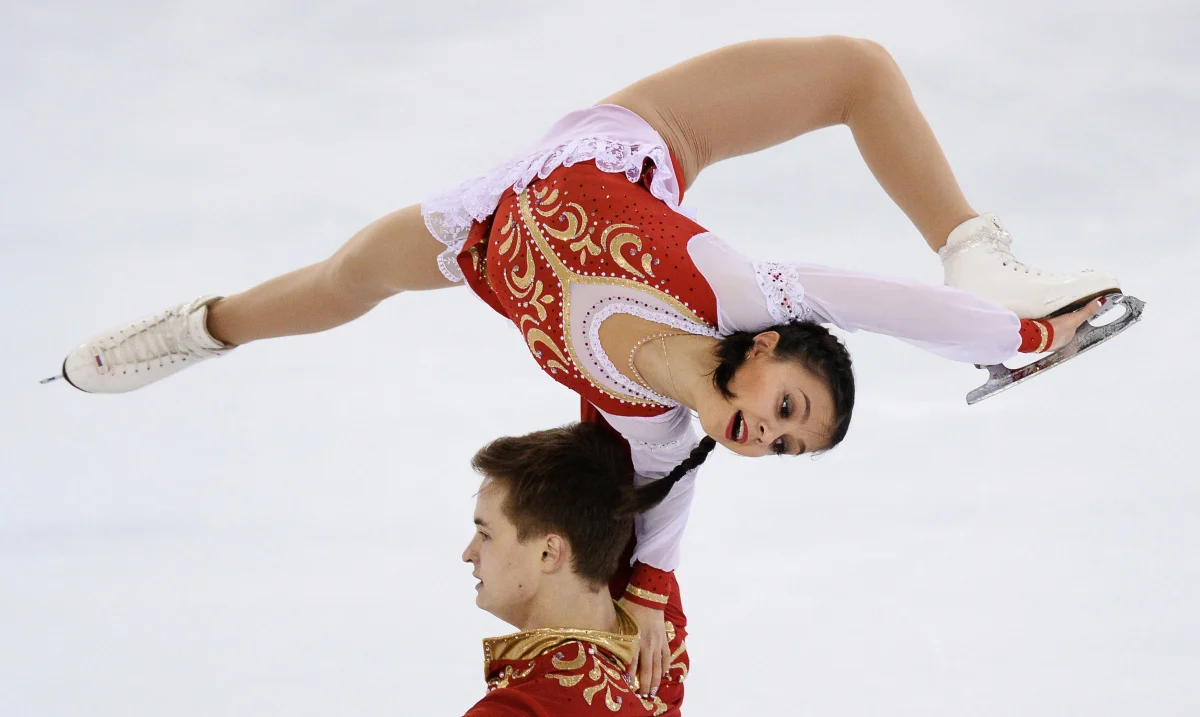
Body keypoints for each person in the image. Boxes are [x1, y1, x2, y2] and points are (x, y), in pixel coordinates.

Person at [48, 36, 1118, 685]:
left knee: (346, 282)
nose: (774, 434)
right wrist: (1023, 332)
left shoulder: (650, 432)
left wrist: (651, 598)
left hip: (481, 242)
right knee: (859, 70)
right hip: (622, 144)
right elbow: (886, 308)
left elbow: (660, 516)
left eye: (790, 446)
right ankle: (984, 250)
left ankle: (202, 331)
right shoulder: (740, 294)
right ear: (773, 350)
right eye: (791, 405)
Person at [462, 421, 688, 716]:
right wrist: (649, 590)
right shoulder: (660, 646)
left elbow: (631, 405)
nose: (469, 553)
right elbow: (640, 422)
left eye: (486, 535)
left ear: (548, 553)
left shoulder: (514, 709)